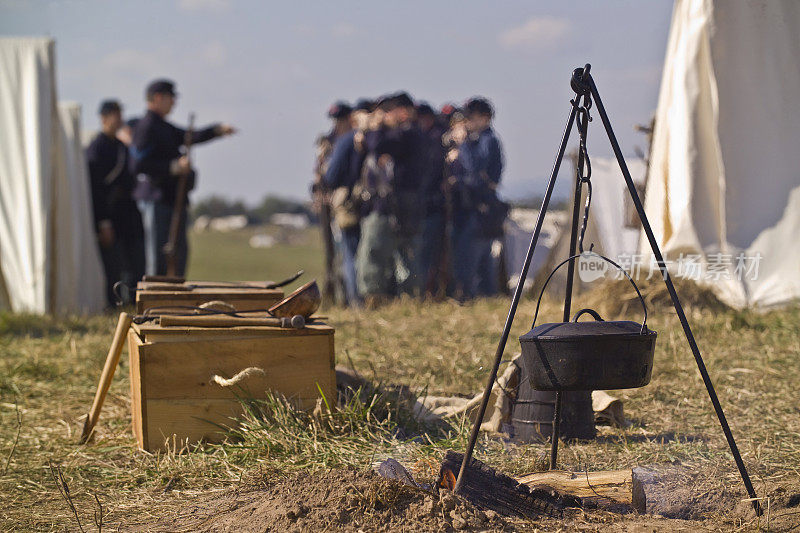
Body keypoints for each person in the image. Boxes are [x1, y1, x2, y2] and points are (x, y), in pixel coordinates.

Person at [130, 79, 235, 276]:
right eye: (171, 97)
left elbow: (189, 136)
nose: (174, 102)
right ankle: (154, 302)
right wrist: (173, 167)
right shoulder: (147, 127)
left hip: (171, 200)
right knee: (158, 256)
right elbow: (137, 165)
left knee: (177, 254)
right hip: (156, 200)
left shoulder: (162, 126)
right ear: (158, 98)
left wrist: (216, 130)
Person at [86, 100, 146, 307]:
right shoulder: (97, 148)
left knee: (135, 264)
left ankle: (135, 304)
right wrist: (103, 222)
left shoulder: (122, 146)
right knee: (114, 266)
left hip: (128, 214)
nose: (119, 119)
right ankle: (115, 305)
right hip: (110, 216)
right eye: (115, 115)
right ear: (104, 118)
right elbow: (96, 189)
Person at [323, 99, 371, 306]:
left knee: (350, 254)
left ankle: (356, 301)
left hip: (350, 203)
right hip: (370, 203)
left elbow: (331, 176)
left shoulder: (344, 141)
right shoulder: (372, 138)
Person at [460, 97, 505, 296]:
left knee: (472, 257)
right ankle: (488, 295)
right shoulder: (486, 140)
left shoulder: (488, 141)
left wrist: (463, 145)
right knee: (484, 257)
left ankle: (471, 296)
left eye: (472, 117)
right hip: (482, 207)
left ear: (485, 118)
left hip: (481, 207)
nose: (468, 122)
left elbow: (476, 168)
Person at [415, 102, 448, 295]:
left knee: (428, 255)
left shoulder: (433, 140)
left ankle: (429, 292)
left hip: (432, 207)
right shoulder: (432, 139)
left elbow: (429, 176)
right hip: (429, 206)